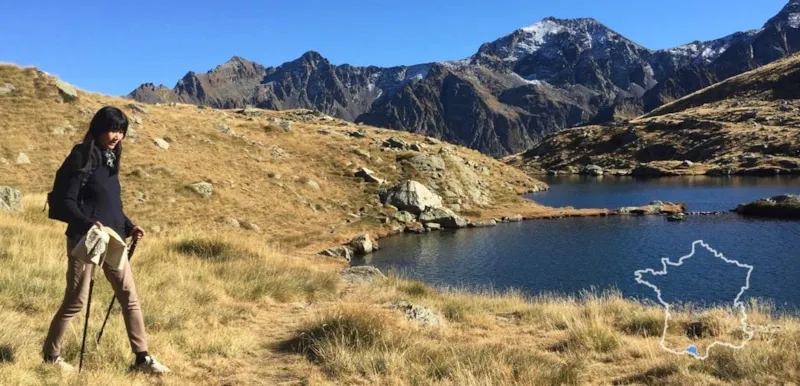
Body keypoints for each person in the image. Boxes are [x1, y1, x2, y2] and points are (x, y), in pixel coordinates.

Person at [42, 106, 170, 374]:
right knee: (76, 301)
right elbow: (68, 200)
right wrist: (88, 224)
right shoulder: (82, 155)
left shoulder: (112, 159)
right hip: (86, 237)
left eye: (121, 131)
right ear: (100, 128)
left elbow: (110, 204)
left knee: (129, 298)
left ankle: (141, 358)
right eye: (113, 129)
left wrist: (129, 225)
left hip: (113, 239)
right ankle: (51, 356)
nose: (117, 136)